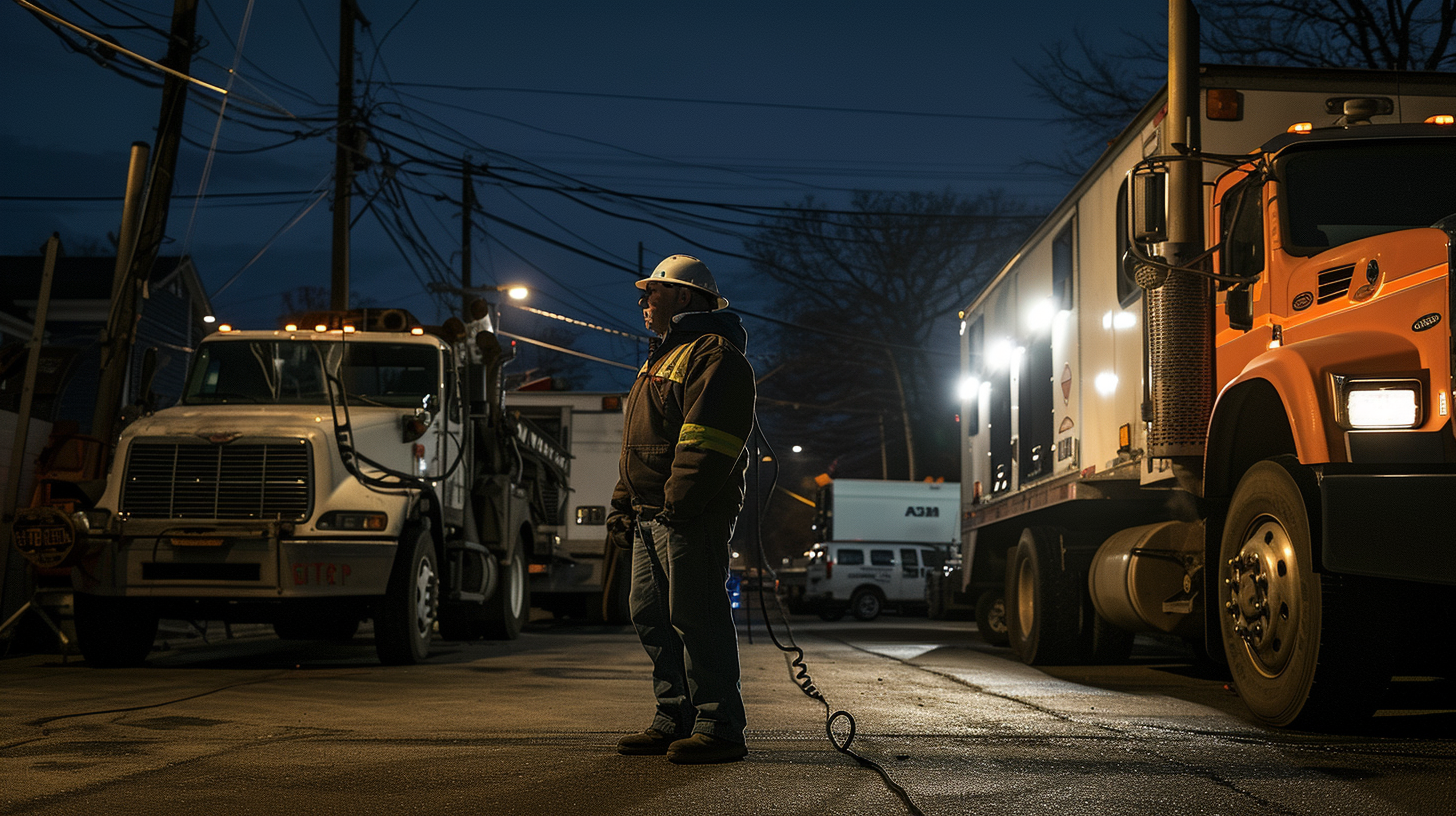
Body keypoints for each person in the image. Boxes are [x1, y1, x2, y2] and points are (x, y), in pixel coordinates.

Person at [608, 254, 756, 765]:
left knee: (696, 615)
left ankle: (719, 726)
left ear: (685, 297)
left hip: (689, 512)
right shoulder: (662, 357)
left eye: (653, 291)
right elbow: (641, 443)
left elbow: (707, 439)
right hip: (654, 512)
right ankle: (676, 717)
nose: (643, 300)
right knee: (650, 615)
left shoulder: (713, 354)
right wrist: (624, 502)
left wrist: (680, 501)